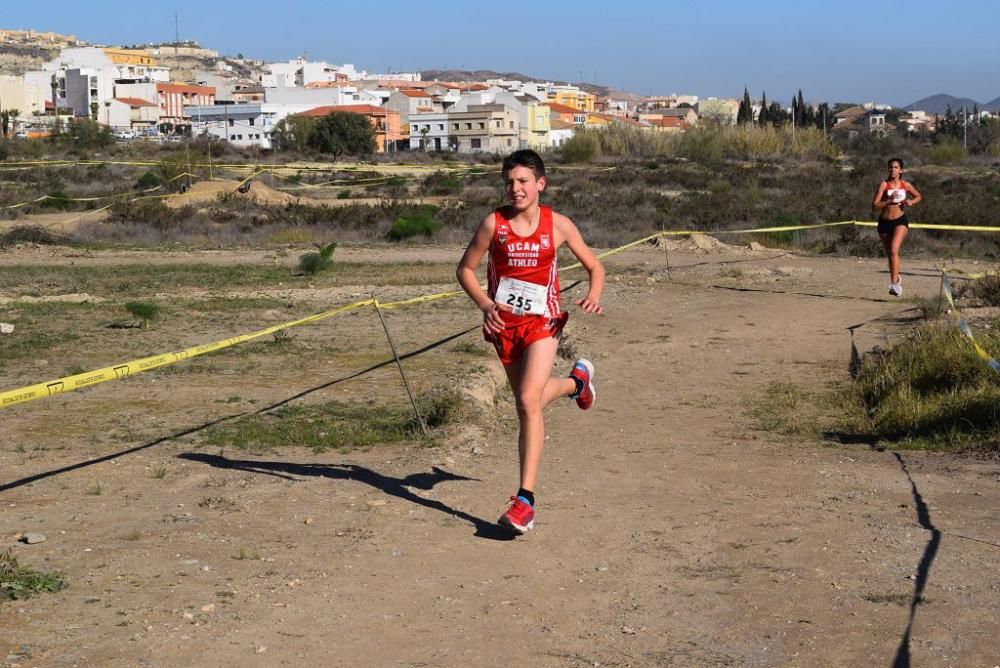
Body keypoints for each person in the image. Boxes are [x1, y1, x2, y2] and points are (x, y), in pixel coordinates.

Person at [456, 149, 605, 535]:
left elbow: (595, 265)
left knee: (526, 400)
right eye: (509, 182)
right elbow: (465, 270)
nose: (515, 188)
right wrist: (486, 305)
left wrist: (594, 293)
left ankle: (525, 501)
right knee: (531, 402)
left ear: (540, 183)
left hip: (543, 322)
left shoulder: (558, 225)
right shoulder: (493, 224)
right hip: (503, 326)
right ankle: (577, 383)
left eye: (523, 181)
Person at [872, 157, 922, 296]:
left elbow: (918, 196)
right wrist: (888, 200)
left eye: (895, 167)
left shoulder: (905, 185)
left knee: (894, 250)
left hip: (900, 220)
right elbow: (874, 206)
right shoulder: (883, 185)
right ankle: (897, 279)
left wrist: (911, 202)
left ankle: (894, 285)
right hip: (884, 223)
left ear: (901, 170)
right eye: (890, 167)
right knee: (890, 253)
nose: (892, 170)